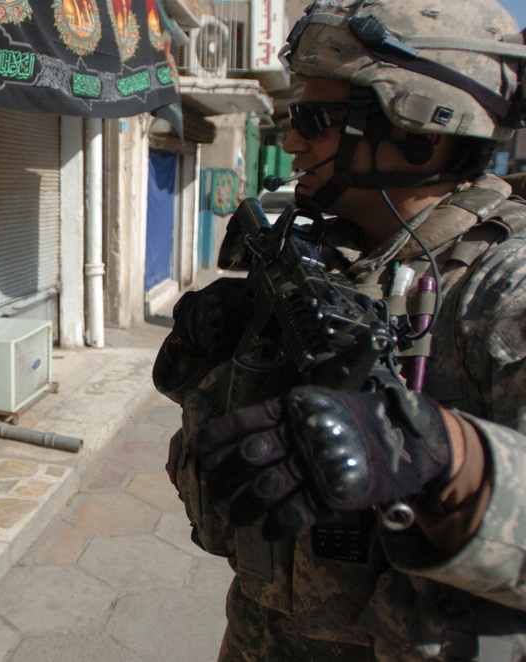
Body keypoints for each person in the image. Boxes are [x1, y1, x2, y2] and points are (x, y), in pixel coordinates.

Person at [155, 0, 526, 659]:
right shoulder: (340, 263)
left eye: (315, 120)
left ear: (423, 131)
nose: (292, 140)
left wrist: (450, 456)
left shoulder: (505, 289)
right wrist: (212, 369)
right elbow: (227, 505)